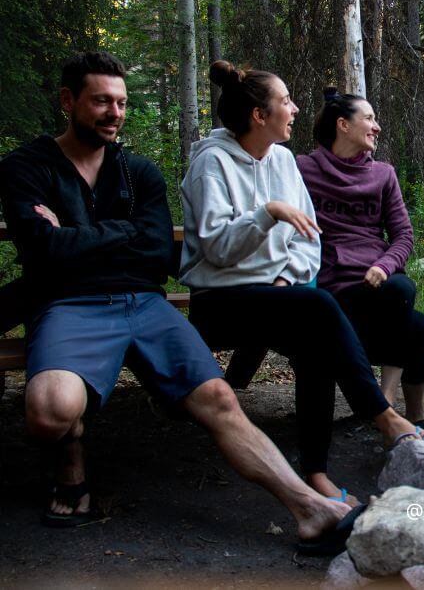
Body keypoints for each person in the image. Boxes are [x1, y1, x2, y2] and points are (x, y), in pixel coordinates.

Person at [0, 52, 351, 548]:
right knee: (51, 413)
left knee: (220, 399)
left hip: (144, 302)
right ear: (68, 101)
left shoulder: (137, 172)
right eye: (101, 101)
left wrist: (76, 236)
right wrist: (117, 235)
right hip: (69, 304)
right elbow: (42, 250)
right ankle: (71, 448)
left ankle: (310, 508)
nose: (114, 113)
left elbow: (152, 254)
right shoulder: (25, 167)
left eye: (121, 102)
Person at [179, 61, 424, 508]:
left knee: (315, 336)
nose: (294, 109)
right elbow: (215, 247)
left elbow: (308, 240)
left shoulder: (282, 162)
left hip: (274, 293)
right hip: (220, 301)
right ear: (259, 114)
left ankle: (316, 473)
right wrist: (266, 212)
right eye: (286, 101)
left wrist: (283, 277)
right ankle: (384, 416)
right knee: (317, 309)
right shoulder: (211, 164)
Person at [297, 88, 424, 428]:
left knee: (417, 320)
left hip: (377, 278)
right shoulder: (302, 169)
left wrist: (383, 266)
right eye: (369, 118)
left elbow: (404, 235)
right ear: (343, 124)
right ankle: (380, 407)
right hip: (331, 283)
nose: (377, 126)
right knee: (408, 312)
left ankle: (407, 414)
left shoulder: (383, 174)